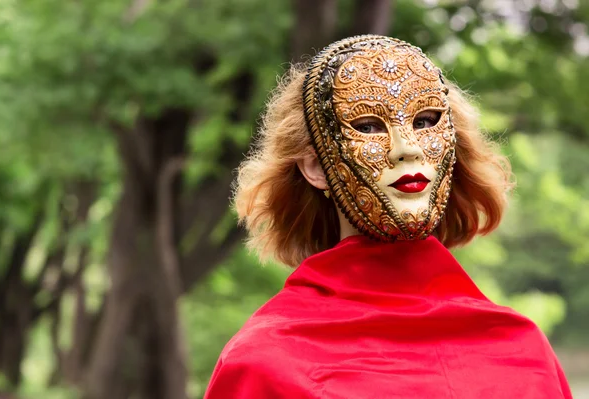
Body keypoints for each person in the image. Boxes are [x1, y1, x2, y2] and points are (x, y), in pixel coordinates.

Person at [204, 35, 572, 398]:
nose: (407, 149)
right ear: (314, 167)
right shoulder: (264, 364)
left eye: (426, 120)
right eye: (368, 127)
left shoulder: (525, 353)